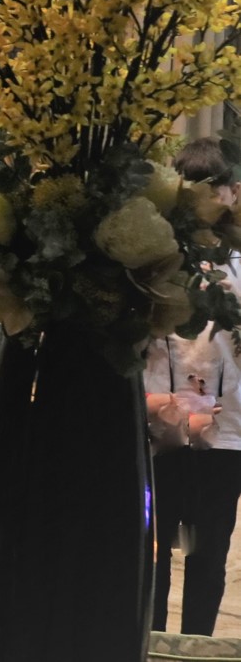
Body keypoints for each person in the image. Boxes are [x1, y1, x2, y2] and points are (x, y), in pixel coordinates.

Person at [146, 136, 241, 635]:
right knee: (153, 553)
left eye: (214, 189)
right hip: (156, 428)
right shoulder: (155, 260)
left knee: (209, 553)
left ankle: (198, 645)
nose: (205, 201)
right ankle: (150, 644)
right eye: (191, 190)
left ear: (233, 193)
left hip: (226, 437)